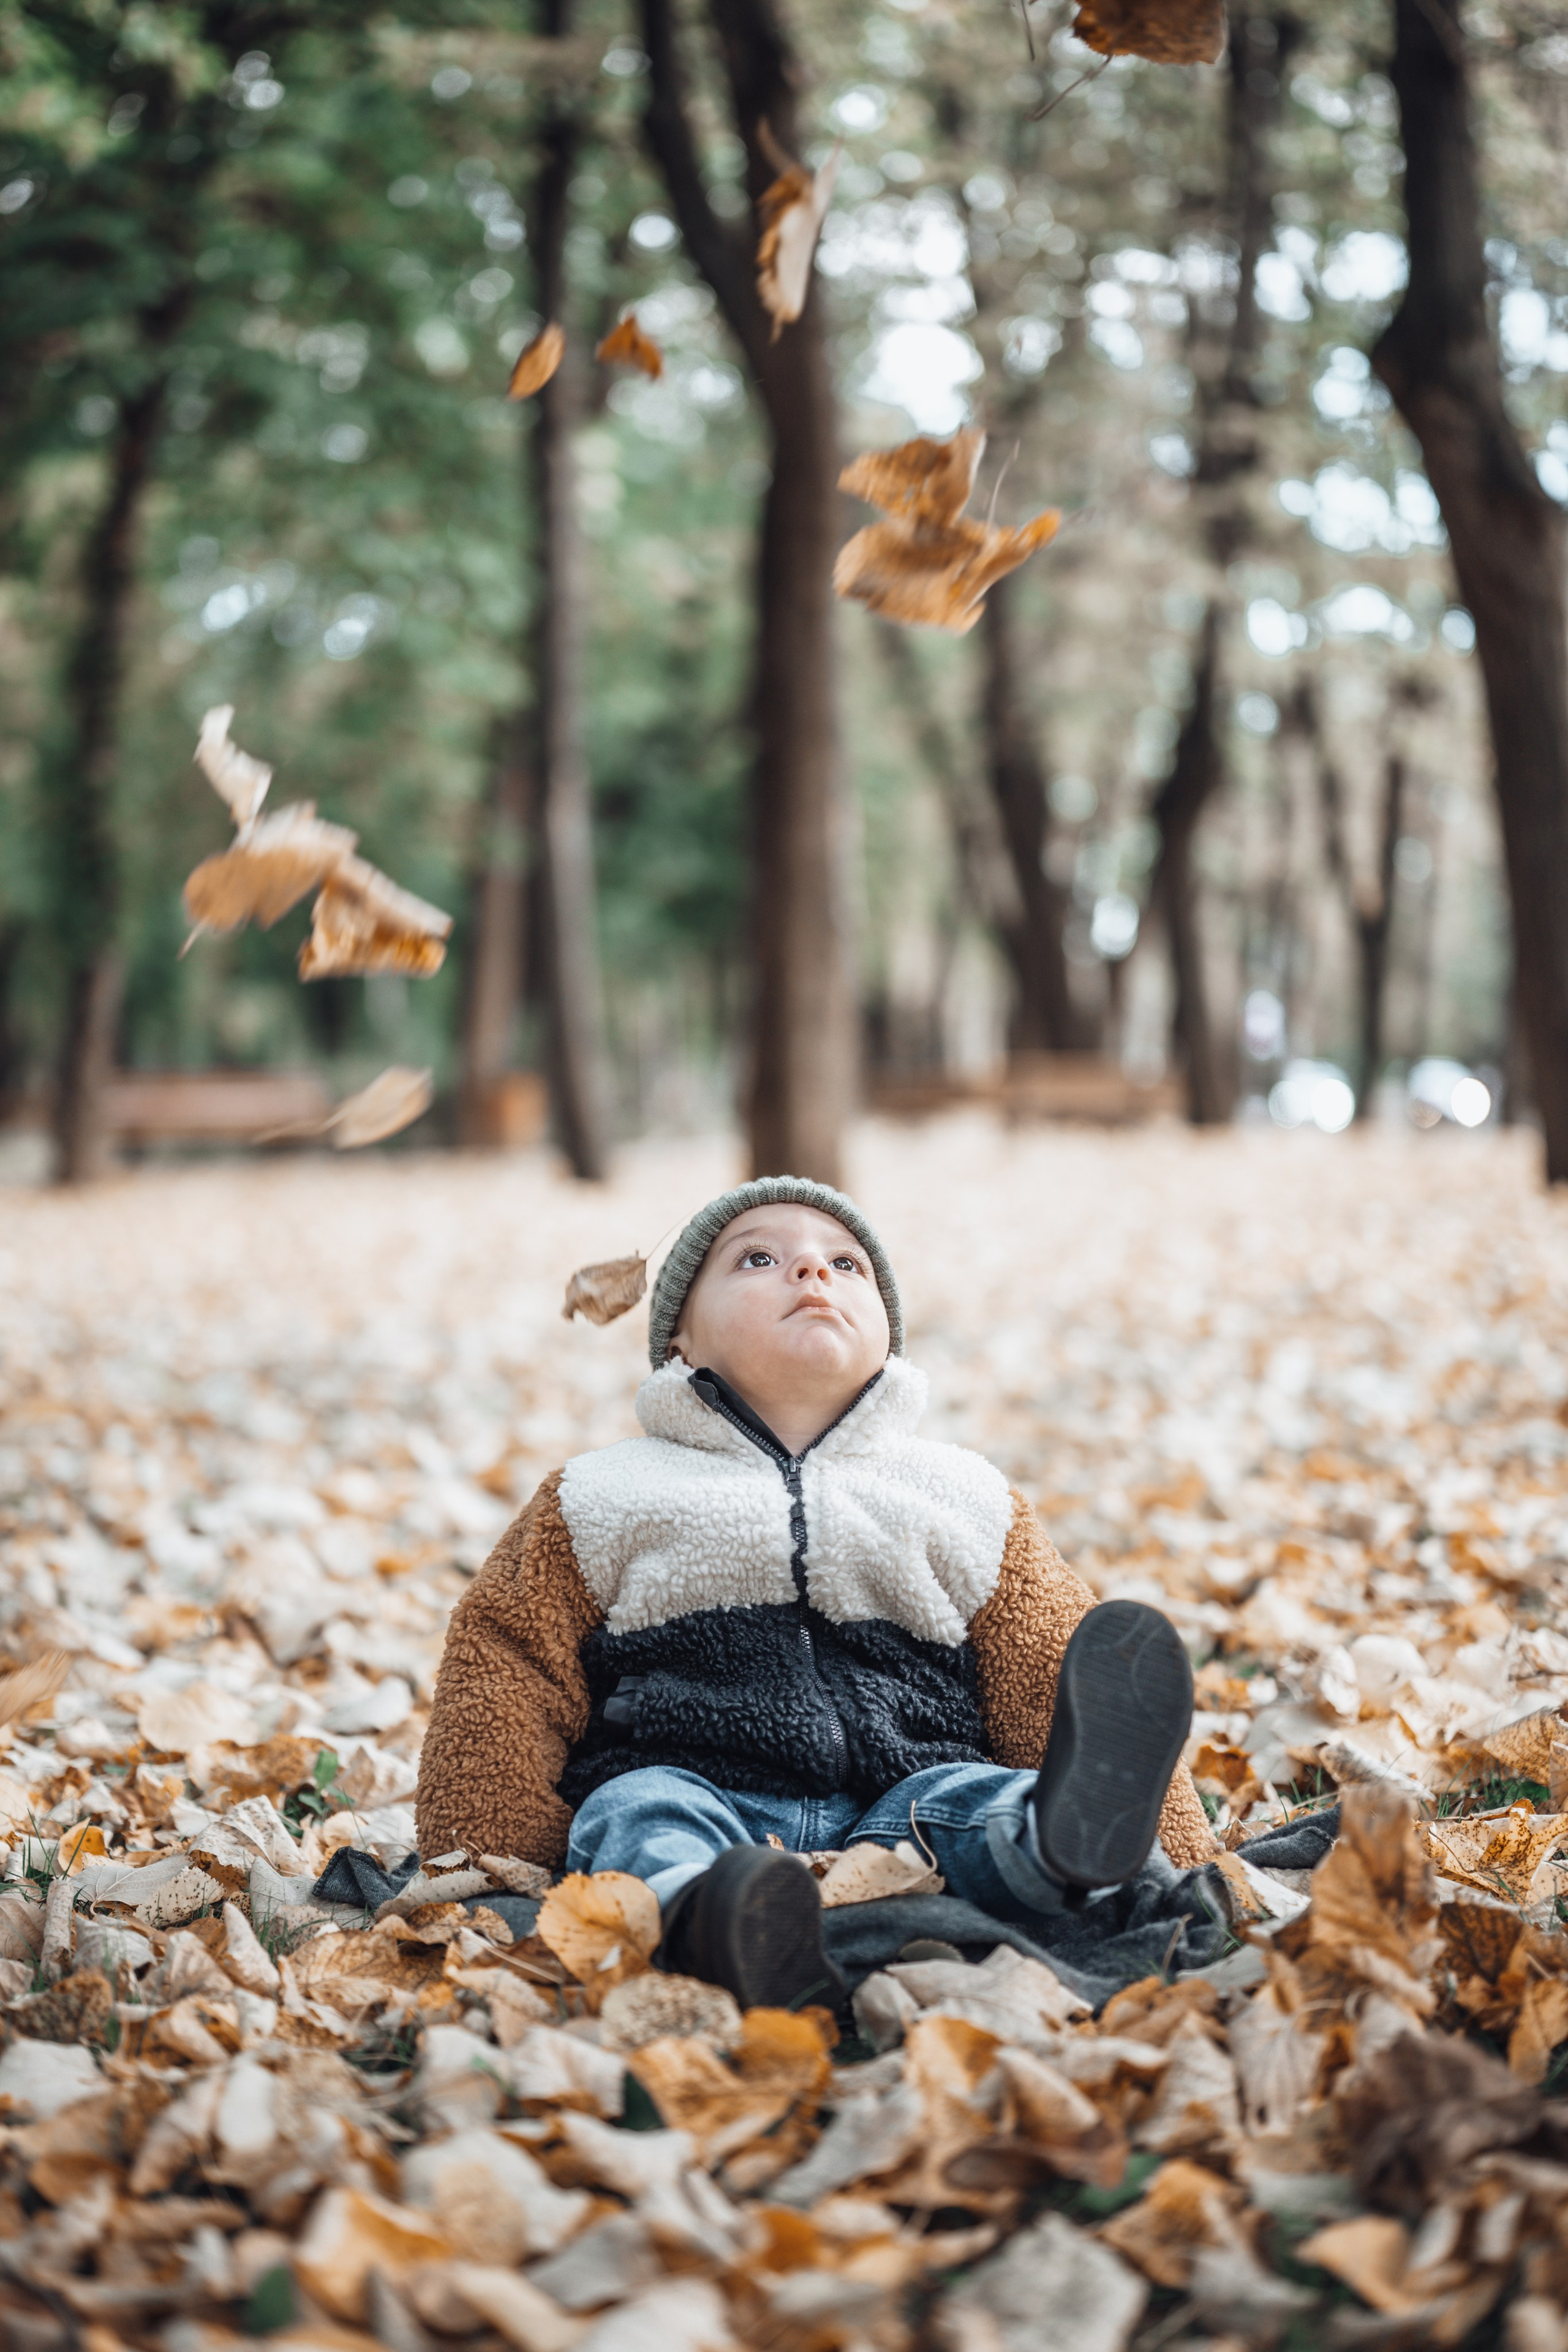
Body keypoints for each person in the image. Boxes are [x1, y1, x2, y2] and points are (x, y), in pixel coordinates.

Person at [417, 1177, 1212, 2010]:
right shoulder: (601, 1497)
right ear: (680, 1336)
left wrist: (1183, 1856)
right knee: (632, 1811)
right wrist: (487, 1856)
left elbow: (1045, 1663)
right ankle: (715, 1919)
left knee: (980, 1802)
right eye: (759, 1258)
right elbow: (504, 1664)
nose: (812, 1275)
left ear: (888, 1337)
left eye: (845, 1264)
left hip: (906, 1806)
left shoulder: (962, 1496)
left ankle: (1060, 1842)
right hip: (700, 1785)